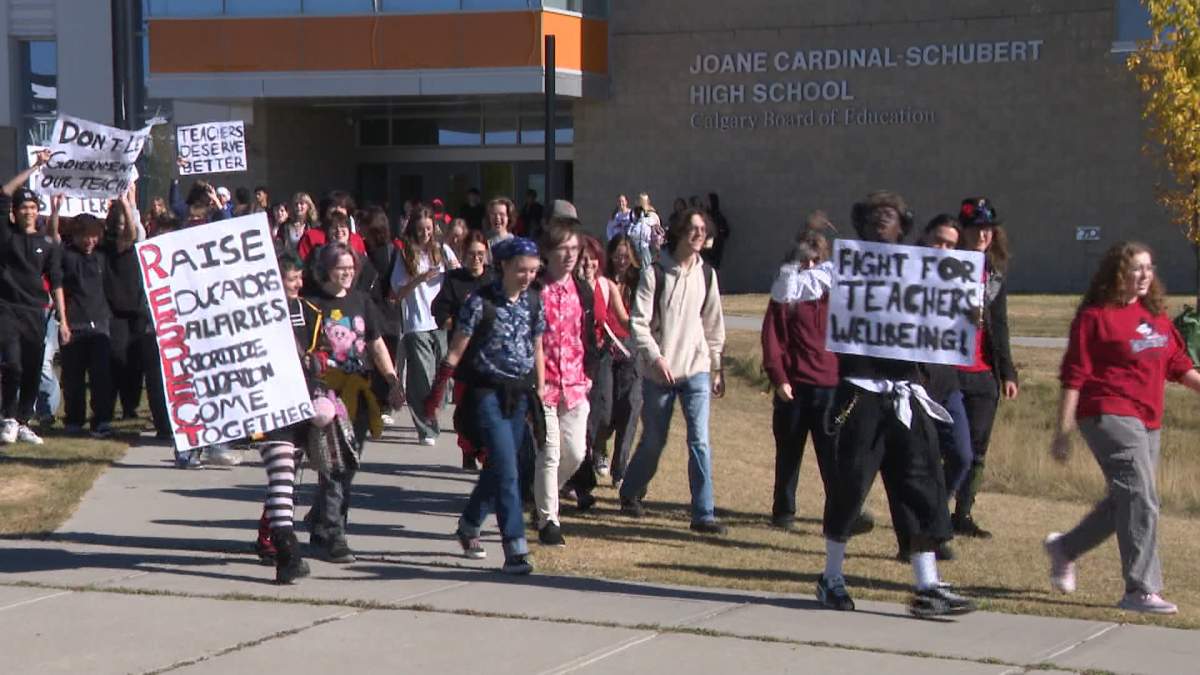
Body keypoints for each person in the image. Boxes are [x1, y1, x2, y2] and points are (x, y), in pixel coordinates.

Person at [815, 190, 973, 618]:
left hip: (906, 394)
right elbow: (792, 287)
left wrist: (964, 310)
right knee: (849, 487)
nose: (882, 220)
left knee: (921, 485)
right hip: (859, 394)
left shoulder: (922, 273)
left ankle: (927, 586)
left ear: (903, 224)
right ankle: (831, 577)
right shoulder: (844, 268)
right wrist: (805, 257)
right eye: (874, 215)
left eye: (891, 215)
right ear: (862, 224)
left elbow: (950, 319)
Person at [1045, 241, 1200, 615]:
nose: (1144, 275)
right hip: (1106, 413)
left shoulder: (1156, 315)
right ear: (1118, 273)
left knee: (1126, 500)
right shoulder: (1095, 317)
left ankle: (1066, 548)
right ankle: (1141, 589)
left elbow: (1178, 364)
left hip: (1148, 419)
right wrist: (1063, 431)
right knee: (1142, 498)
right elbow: (1073, 375)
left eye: (1149, 267)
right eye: (1136, 268)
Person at [423, 236, 545, 574]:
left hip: (519, 394)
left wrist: (543, 389)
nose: (528, 276)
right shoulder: (479, 302)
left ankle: (470, 523)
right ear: (503, 266)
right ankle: (515, 547)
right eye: (522, 270)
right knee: (506, 466)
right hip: (485, 393)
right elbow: (456, 350)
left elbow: (537, 348)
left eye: (533, 270)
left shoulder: (534, 302)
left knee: (503, 467)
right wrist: (436, 394)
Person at [619, 207, 727, 535]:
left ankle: (703, 513)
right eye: (693, 228)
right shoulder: (656, 272)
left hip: (696, 369)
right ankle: (631, 491)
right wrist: (656, 357)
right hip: (659, 373)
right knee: (654, 439)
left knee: (700, 440)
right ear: (679, 232)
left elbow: (713, 323)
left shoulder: (707, 274)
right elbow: (638, 323)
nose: (699, 234)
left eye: (703, 229)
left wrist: (717, 366)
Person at [303, 242, 405, 562]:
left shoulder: (362, 301)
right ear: (324, 270)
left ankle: (320, 520)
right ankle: (333, 534)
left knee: (347, 466)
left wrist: (391, 380)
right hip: (326, 397)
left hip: (358, 395)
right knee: (336, 465)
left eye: (351, 266)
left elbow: (375, 344)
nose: (347, 272)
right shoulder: (312, 305)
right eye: (340, 267)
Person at [531, 209, 605, 546]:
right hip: (543, 386)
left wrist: (589, 374)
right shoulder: (535, 291)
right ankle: (549, 521)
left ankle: (542, 496)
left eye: (575, 248)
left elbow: (589, 336)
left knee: (574, 453)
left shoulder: (583, 292)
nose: (570, 255)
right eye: (563, 248)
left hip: (576, 385)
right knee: (550, 451)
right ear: (547, 252)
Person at [761, 231, 838, 531]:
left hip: (830, 388)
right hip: (793, 387)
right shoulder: (786, 292)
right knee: (789, 453)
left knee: (832, 458)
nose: (809, 264)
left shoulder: (836, 294)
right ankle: (783, 512)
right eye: (804, 258)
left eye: (815, 258)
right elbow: (772, 337)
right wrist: (779, 378)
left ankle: (838, 512)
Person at [952, 197, 1019, 539]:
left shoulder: (994, 274)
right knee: (949, 448)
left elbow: (1001, 325)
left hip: (983, 371)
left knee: (977, 448)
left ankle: (962, 513)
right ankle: (932, 507)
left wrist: (1008, 372)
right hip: (948, 370)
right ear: (962, 231)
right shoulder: (942, 265)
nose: (983, 234)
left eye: (989, 228)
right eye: (977, 228)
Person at [0, 151, 67, 446]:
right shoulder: (6, 235)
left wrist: (63, 319)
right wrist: (35, 167)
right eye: (23, 206)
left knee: (32, 367)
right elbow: (3, 192)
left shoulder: (47, 244)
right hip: (7, 308)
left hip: (35, 312)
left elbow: (57, 282)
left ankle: (24, 421)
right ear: (15, 212)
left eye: (32, 206)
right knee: (12, 364)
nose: (28, 211)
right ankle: (9, 417)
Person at [390, 205, 459, 445]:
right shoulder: (405, 254)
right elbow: (398, 293)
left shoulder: (443, 250)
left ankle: (432, 414)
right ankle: (427, 429)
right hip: (416, 322)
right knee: (422, 378)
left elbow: (460, 275)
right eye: (420, 230)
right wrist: (420, 278)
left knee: (443, 379)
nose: (425, 234)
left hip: (440, 322)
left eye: (428, 229)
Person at [431, 230, 495, 470]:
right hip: (463, 357)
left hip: (490, 358)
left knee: (489, 409)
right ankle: (468, 448)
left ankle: (487, 452)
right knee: (466, 410)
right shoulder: (454, 280)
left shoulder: (495, 280)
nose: (476, 258)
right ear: (463, 254)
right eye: (471, 254)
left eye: (480, 254)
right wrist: (460, 324)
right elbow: (440, 313)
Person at [58, 213, 115, 438]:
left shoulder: (103, 255)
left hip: (100, 322)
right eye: (85, 236)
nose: (90, 241)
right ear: (75, 235)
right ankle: (74, 419)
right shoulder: (66, 256)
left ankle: (101, 419)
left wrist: (126, 200)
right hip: (75, 322)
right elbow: (58, 286)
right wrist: (63, 321)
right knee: (73, 377)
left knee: (101, 375)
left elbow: (130, 236)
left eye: (94, 236)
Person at [593, 234, 641, 486]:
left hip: (632, 352)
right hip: (607, 350)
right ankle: (598, 448)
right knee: (605, 410)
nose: (622, 260)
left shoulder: (640, 284)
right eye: (618, 255)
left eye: (627, 256)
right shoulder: (601, 282)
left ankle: (620, 470)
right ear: (610, 256)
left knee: (631, 409)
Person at [98, 192, 148, 423]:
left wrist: (127, 204)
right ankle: (115, 403)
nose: (121, 228)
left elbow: (132, 232)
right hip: (114, 312)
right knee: (117, 359)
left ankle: (131, 406)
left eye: (123, 224)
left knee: (135, 361)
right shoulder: (105, 245)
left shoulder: (132, 244)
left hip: (135, 310)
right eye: (116, 224)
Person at [360, 207, 404, 425]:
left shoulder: (384, 253)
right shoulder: (380, 249)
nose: (360, 231)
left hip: (384, 311)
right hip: (380, 309)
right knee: (379, 357)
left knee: (384, 356)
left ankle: (384, 403)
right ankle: (379, 402)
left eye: (364, 227)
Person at [702, 192, 731, 270]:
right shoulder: (704, 215)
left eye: (708, 201)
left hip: (715, 248)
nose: (705, 203)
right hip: (704, 248)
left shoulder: (718, 216)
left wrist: (717, 234)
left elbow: (725, 232)